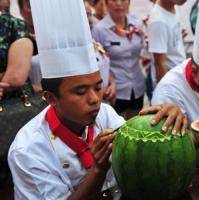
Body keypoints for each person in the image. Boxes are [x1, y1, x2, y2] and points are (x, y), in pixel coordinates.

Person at [8, 0, 188, 199]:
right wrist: (98, 170)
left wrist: (166, 117)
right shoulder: (28, 151)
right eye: (80, 91)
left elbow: (141, 151)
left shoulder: (106, 114)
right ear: (50, 98)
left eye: (97, 86)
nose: (95, 99)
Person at [92, 0, 146, 119]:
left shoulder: (136, 25)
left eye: (123, 0)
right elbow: (97, 61)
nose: (119, 4)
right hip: (115, 89)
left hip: (137, 85)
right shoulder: (99, 29)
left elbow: (143, 50)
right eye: (114, 0)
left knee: (136, 125)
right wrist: (110, 81)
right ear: (106, 3)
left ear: (129, 2)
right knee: (116, 129)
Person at [148, 0, 187, 84]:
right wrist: (165, 92)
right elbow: (160, 64)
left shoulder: (174, 6)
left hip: (180, 74)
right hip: (170, 81)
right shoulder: (158, 21)